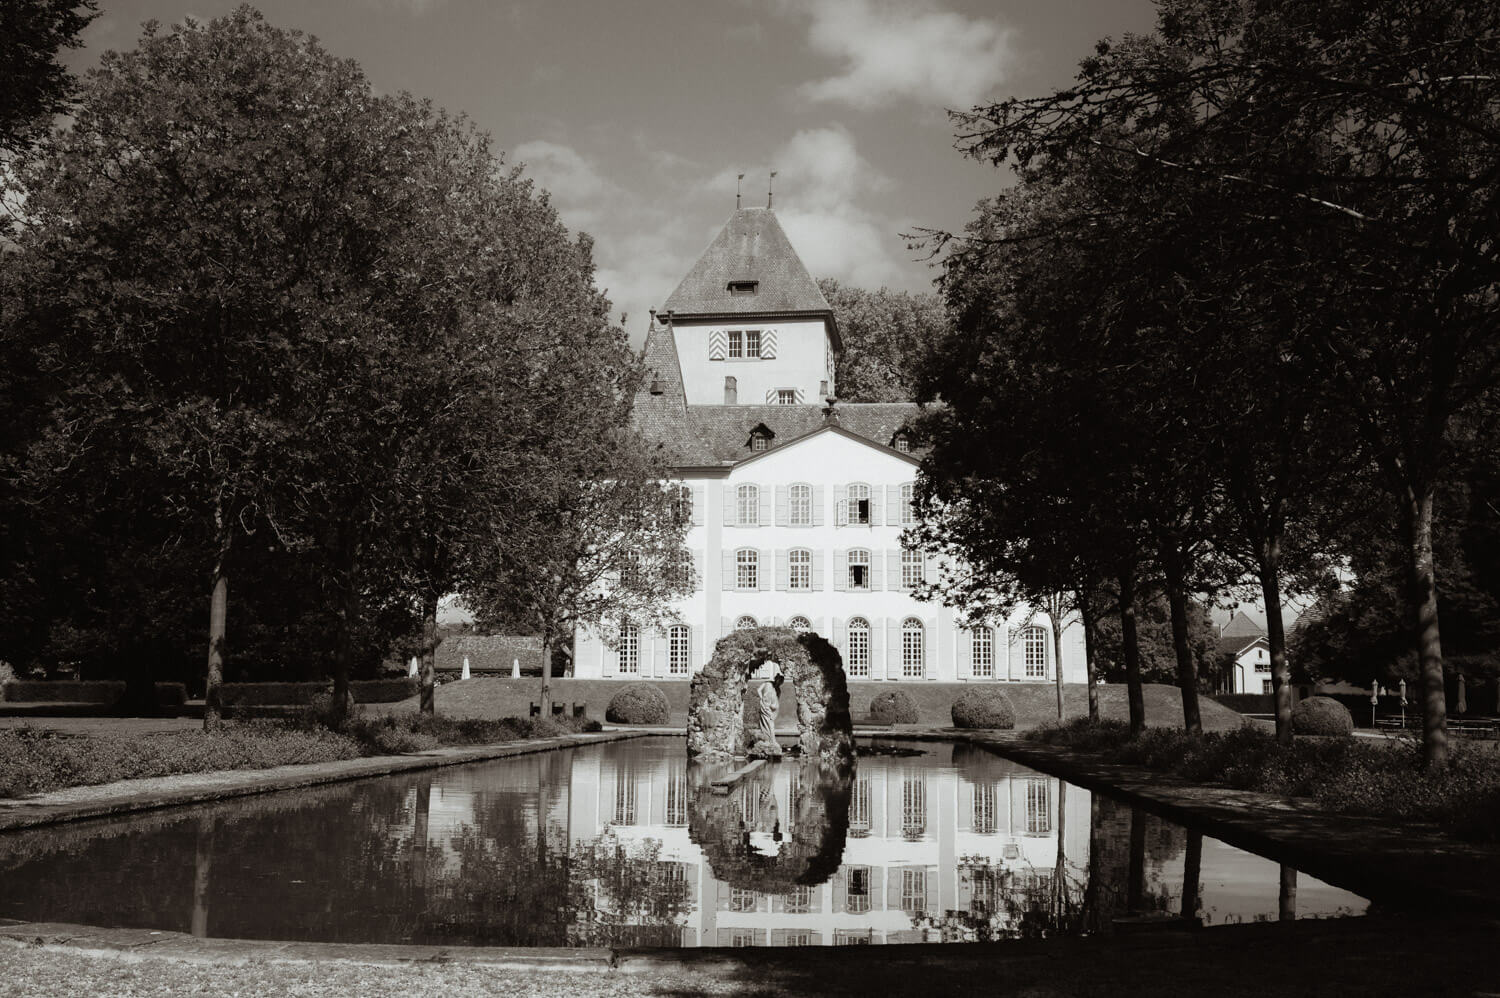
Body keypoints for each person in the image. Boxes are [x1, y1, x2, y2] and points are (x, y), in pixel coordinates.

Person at [756, 672, 784, 759]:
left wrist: (771, 705)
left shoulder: (776, 688)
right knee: (766, 724)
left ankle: (772, 741)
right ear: (776, 679)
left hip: (770, 708)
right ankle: (770, 740)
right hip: (766, 706)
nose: (778, 683)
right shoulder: (768, 683)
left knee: (770, 724)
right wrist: (761, 698)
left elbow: (777, 699)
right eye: (778, 682)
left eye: (780, 683)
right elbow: (758, 690)